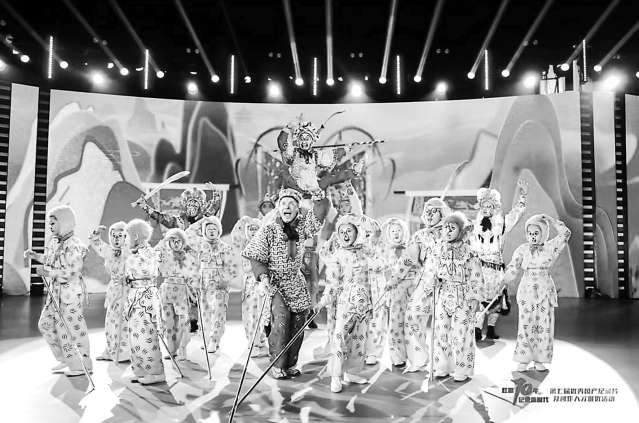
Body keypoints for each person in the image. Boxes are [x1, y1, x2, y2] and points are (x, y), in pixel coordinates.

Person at [242, 188, 330, 379]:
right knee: (281, 321)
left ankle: (290, 364)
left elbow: (319, 214)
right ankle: (278, 364)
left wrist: (319, 198)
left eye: (291, 204)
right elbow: (256, 256)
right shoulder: (269, 229)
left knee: (299, 322)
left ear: (298, 208)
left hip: (295, 281)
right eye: (283, 204)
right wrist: (263, 278)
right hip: (275, 282)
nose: (287, 207)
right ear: (278, 208)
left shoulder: (302, 226)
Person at [26, 205, 92, 376]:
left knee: (72, 330)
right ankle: (66, 359)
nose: (50, 226)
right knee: (45, 324)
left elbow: (72, 271)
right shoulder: (55, 242)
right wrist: (36, 256)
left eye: (53, 223)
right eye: (49, 223)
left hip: (70, 294)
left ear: (64, 222)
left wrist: (49, 273)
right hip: (55, 294)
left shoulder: (74, 245)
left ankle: (81, 365)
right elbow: (50, 260)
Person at [387, 198, 451, 372]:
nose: (429, 215)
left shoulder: (451, 232)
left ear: (442, 214)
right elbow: (407, 260)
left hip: (447, 284)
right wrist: (394, 279)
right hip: (424, 282)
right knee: (413, 316)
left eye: (434, 212)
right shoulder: (420, 236)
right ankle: (419, 358)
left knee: (443, 324)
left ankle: (443, 364)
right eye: (427, 211)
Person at [503, 214, 571, 372]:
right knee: (526, 325)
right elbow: (513, 266)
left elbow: (566, 234)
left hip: (545, 290)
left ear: (544, 233)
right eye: (530, 233)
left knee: (543, 326)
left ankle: (540, 359)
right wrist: (505, 280)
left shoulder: (551, 247)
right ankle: (523, 359)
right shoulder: (522, 249)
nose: (532, 236)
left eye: (536, 233)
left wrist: (551, 220)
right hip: (526, 291)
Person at [315, 214, 371, 392]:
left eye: (349, 231)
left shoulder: (365, 253)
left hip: (363, 304)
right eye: (342, 232)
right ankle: (335, 375)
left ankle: (352, 372)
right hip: (345, 303)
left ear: (357, 232)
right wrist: (323, 301)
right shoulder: (337, 256)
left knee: (359, 341)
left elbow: (380, 269)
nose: (346, 235)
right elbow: (332, 283)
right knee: (339, 338)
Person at [472, 180, 528, 341]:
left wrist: (523, 195)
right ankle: (477, 329)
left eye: (490, 206)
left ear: (495, 207)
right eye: (484, 206)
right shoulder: (475, 226)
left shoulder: (502, 224)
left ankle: (490, 328)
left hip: (495, 268)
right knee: (479, 298)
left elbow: (516, 213)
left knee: (496, 298)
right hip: (480, 267)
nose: (487, 209)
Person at [431, 212, 483, 382]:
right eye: (445, 227)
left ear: (461, 231)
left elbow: (476, 276)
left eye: (452, 228)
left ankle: (463, 368)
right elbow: (433, 270)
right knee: (441, 331)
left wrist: (475, 297)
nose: (447, 231)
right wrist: (434, 279)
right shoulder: (438, 249)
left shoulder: (470, 253)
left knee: (462, 334)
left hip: (463, 296)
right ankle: (443, 365)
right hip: (444, 294)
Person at [124, 219, 165, 385]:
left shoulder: (147, 252)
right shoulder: (135, 253)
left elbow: (148, 271)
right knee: (135, 335)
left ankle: (155, 372)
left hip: (144, 296)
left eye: (126, 236)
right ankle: (140, 369)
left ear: (135, 236)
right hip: (135, 295)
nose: (125, 240)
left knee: (146, 334)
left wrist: (130, 276)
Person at [191, 215, 234, 353]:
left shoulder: (225, 247)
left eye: (214, 228)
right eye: (208, 228)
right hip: (204, 284)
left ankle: (214, 340)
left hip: (219, 284)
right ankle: (206, 338)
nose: (211, 231)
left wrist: (224, 280)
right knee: (205, 312)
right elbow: (194, 266)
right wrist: (195, 282)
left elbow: (231, 267)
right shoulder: (199, 247)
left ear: (219, 230)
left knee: (218, 312)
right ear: (204, 231)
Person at [89, 221, 130, 362]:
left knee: (123, 322)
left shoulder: (130, 252)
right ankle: (110, 351)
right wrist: (96, 233)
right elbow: (96, 243)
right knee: (110, 322)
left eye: (120, 235)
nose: (116, 238)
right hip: (113, 290)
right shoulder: (109, 250)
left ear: (126, 237)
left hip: (127, 290)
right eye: (113, 235)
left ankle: (123, 353)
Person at [156, 228, 199, 361]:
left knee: (183, 322)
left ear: (183, 242)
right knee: (168, 322)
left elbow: (193, 276)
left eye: (179, 241)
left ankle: (182, 348)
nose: (176, 243)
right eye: (172, 240)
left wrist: (194, 291)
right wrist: (163, 241)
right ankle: (171, 349)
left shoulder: (189, 258)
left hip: (181, 292)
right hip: (167, 291)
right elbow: (156, 260)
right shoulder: (164, 256)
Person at [381, 217, 413, 368]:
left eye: (399, 230)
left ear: (404, 232)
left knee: (411, 325)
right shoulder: (387, 252)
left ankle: (413, 356)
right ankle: (397, 356)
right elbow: (385, 272)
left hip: (410, 292)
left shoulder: (410, 250)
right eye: (393, 230)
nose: (396, 233)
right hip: (394, 294)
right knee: (395, 325)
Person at [361, 216, 389, 366]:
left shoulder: (381, 246)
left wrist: (372, 260)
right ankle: (360, 349)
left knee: (376, 320)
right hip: (361, 286)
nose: (366, 236)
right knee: (361, 320)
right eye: (364, 232)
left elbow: (384, 263)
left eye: (369, 232)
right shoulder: (355, 246)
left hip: (377, 287)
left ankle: (372, 351)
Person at [240, 218, 269, 357]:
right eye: (250, 229)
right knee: (248, 313)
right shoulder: (244, 245)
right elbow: (244, 267)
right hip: (248, 284)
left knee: (258, 312)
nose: (253, 231)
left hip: (259, 282)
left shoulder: (264, 246)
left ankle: (256, 340)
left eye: (255, 228)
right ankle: (254, 339)